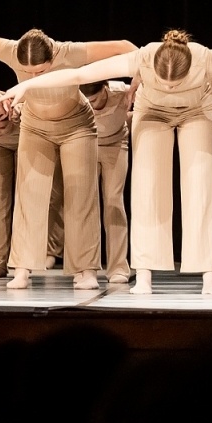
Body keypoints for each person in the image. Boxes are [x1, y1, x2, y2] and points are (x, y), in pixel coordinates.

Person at [0, 30, 212, 295]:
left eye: (173, 82)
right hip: (152, 113)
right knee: (147, 186)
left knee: (202, 183)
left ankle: (209, 272)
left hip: (198, 112)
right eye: (162, 80)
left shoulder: (207, 59)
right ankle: (145, 272)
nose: (167, 84)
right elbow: (75, 76)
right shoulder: (142, 58)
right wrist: (23, 89)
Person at [0, 29, 137, 290]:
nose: (32, 77)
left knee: (80, 195)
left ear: (52, 58)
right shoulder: (10, 49)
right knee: (29, 195)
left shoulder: (70, 51)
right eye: (26, 72)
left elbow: (124, 44)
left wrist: (139, 77)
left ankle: (85, 270)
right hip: (35, 126)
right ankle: (23, 268)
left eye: (40, 72)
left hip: (77, 126)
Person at [0, 98, 64, 278]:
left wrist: (14, 105)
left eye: (3, 127)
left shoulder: (22, 111)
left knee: (30, 199)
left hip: (27, 142)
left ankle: (28, 259)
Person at [82, 80, 133, 282]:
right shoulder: (76, 96)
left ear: (105, 89)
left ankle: (118, 267)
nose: (91, 105)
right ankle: (85, 268)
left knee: (113, 202)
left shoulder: (122, 91)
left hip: (116, 144)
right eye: (87, 101)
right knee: (85, 205)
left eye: (93, 100)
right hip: (86, 145)